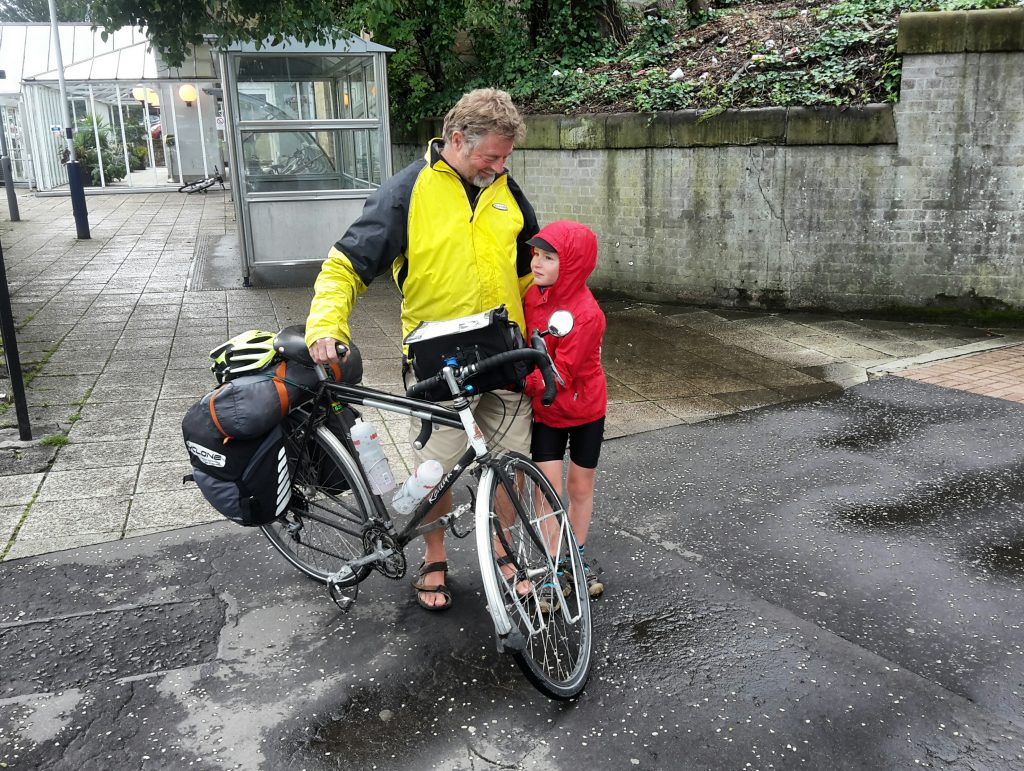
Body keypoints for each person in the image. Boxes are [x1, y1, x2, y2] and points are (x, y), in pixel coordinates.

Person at [305, 88, 539, 611]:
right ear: (457, 139)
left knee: (511, 464)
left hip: (504, 354)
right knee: (435, 470)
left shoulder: (505, 190)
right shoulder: (407, 191)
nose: (500, 167)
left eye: (505, 158)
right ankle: (435, 558)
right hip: (439, 362)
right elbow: (344, 265)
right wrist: (326, 325)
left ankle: (505, 555)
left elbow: (529, 272)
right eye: (491, 157)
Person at [522, 220, 607, 598]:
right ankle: (554, 564)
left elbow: (560, 374)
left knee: (579, 486)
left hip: (585, 408)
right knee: (546, 490)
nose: (536, 263)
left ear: (571, 264)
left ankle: (576, 557)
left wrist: (518, 380)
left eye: (548, 257)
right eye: (536, 254)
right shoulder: (532, 296)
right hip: (547, 411)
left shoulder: (588, 314)